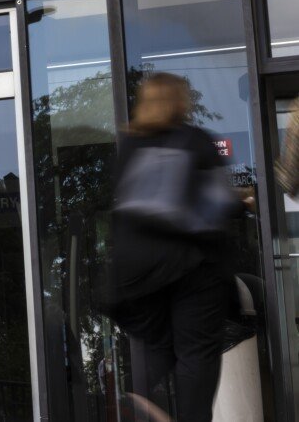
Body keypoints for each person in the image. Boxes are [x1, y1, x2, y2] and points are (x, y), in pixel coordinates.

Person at [107, 73, 233, 422]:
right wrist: (242, 202)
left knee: (159, 344)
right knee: (197, 351)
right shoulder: (195, 140)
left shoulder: (129, 145)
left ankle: (145, 395)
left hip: (137, 273)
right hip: (191, 263)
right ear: (181, 101)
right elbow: (217, 203)